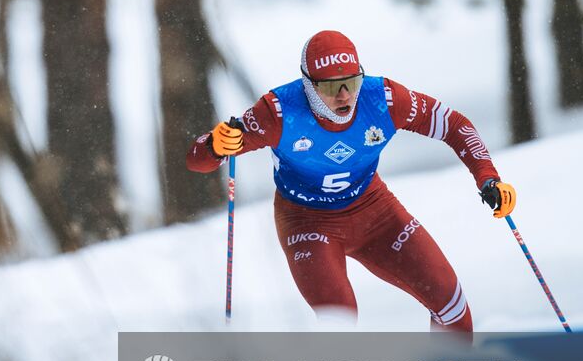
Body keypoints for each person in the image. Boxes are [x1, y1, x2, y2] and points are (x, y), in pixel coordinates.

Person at [186, 30, 516, 334]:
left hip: (374, 210)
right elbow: (197, 160)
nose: (345, 96)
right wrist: (215, 145)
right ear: (308, 86)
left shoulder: (383, 99)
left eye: (352, 82)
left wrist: (488, 179)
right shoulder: (278, 112)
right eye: (331, 87)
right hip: (306, 220)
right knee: (338, 322)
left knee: (451, 305)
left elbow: (454, 125)